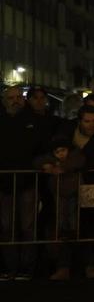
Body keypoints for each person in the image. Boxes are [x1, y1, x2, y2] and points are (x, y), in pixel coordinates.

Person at [1, 85, 51, 281]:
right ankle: (10, 266)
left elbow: (41, 148)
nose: (15, 101)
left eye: (18, 97)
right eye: (11, 97)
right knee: (7, 227)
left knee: (27, 226)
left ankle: (26, 267)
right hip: (4, 183)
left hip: (27, 181)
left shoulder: (34, 121)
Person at [34, 135, 86, 280]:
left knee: (72, 212)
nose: (61, 154)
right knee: (61, 212)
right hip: (58, 191)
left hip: (73, 190)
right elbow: (38, 161)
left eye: (63, 150)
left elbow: (79, 160)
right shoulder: (51, 160)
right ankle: (63, 230)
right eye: (58, 152)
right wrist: (47, 166)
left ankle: (72, 230)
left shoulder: (73, 157)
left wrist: (62, 167)